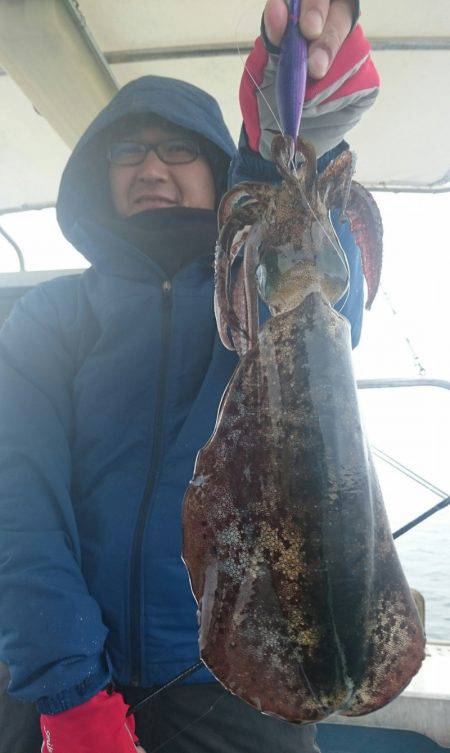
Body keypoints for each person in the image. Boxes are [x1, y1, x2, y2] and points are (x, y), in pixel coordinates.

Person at [0, 1, 380, 751]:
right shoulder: (48, 318)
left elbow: (317, 293)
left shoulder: (253, 299)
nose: (150, 167)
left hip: (242, 687)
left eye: (178, 150)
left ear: (216, 169)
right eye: (128, 151)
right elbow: (18, 498)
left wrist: (298, 133)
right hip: (71, 689)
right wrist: (69, 693)